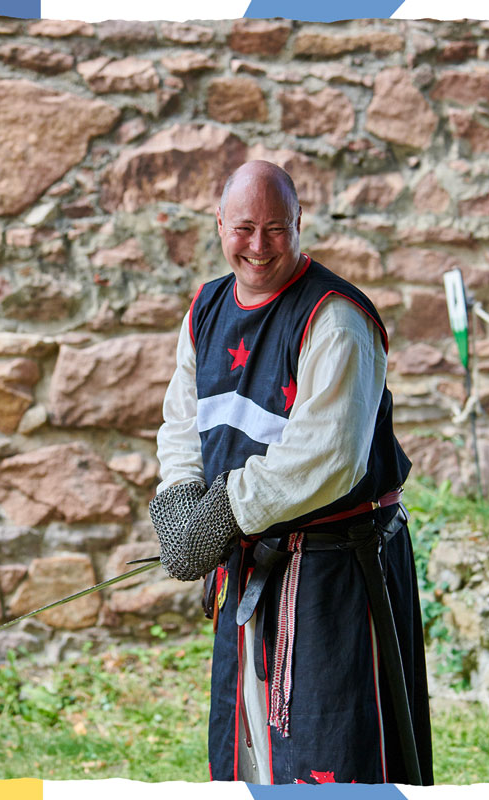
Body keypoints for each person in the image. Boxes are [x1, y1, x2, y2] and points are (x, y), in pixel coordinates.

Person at [150, 161, 433, 785]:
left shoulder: (335, 319)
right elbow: (182, 419)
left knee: (335, 760)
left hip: (335, 577)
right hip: (251, 564)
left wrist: (221, 513)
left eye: (275, 228)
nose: (258, 245)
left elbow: (327, 458)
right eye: (243, 228)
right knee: (246, 755)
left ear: (299, 223)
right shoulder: (206, 309)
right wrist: (180, 498)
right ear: (219, 224)